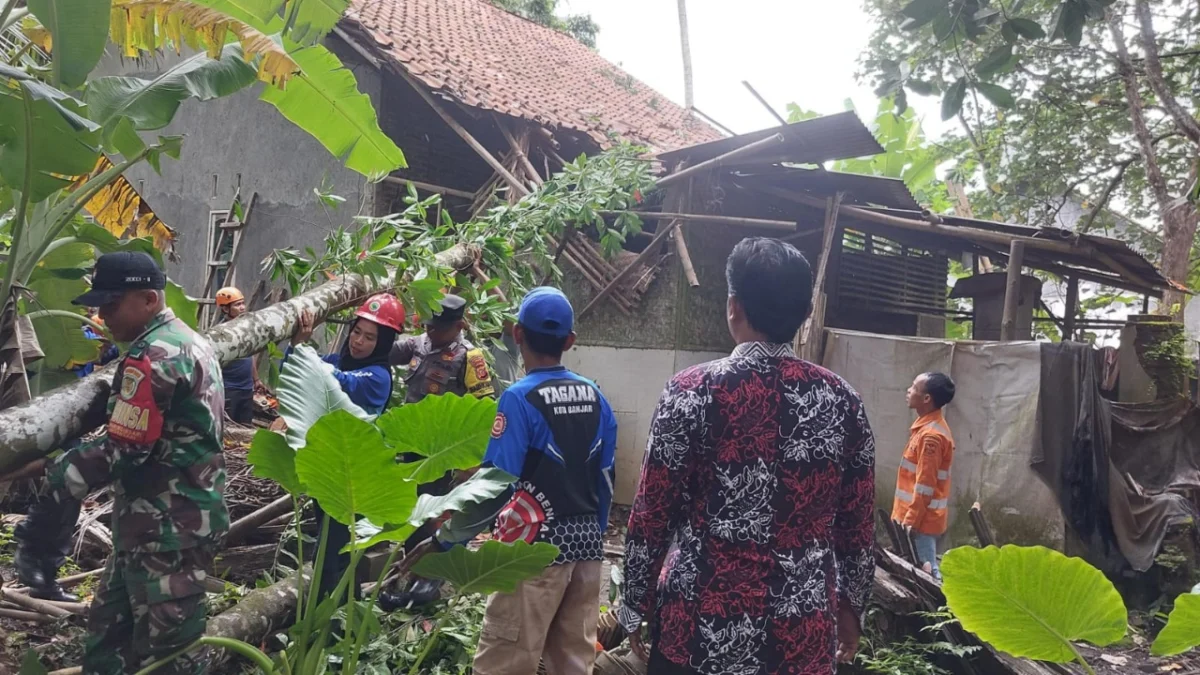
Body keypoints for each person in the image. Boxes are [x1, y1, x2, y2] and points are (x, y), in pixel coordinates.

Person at [617, 238, 876, 675]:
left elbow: (652, 512)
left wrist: (632, 605)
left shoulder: (690, 391)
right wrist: (852, 608)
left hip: (696, 633)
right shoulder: (842, 401)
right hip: (801, 637)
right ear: (804, 313)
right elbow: (858, 526)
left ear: (733, 306)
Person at [1, 251, 228, 675]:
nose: (103, 316)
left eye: (110, 305)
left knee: (169, 657)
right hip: (152, 527)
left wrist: (52, 473)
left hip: (169, 533)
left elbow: (125, 450)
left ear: (148, 299)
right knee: (108, 644)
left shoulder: (155, 357)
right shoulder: (186, 339)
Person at [470, 287, 617, 675]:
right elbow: (605, 478)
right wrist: (593, 536)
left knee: (504, 662)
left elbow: (495, 481)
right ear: (569, 341)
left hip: (530, 551)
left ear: (518, 334)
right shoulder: (597, 397)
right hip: (586, 548)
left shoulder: (519, 399)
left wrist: (448, 536)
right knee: (572, 663)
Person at [381, 293, 495, 610]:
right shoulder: (418, 345)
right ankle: (408, 575)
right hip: (414, 448)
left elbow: (484, 411)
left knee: (436, 514)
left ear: (458, 326)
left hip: (446, 453)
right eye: (429, 326)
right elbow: (384, 352)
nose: (432, 332)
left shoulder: (470, 358)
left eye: (439, 328)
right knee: (412, 512)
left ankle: (429, 581)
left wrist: (471, 465)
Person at [291, 293, 404, 599]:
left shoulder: (378, 377)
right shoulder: (338, 361)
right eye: (356, 332)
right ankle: (338, 613)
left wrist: (303, 347)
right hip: (327, 465)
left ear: (382, 345)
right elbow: (298, 371)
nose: (358, 341)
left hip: (351, 474)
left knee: (331, 552)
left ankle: (329, 620)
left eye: (369, 338)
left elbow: (337, 382)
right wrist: (297, 347)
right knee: (331, 547)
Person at [892, 371, 956, 581]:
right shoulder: (925, 428)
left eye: (914, 387)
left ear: (926, 398)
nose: (909, 391)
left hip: (921, 522)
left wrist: (911, 521)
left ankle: (945, 613)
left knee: (929, 577)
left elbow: (925, 486)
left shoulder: (931, 437)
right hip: (916, 519)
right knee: (918, 571)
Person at [215, 286, 263, 424]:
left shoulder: (245, 328)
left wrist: (256, 380)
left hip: (246, 389)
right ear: (225, 309)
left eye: (242, 303)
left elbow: (251, 354)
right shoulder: (220, 333)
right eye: (237, 305)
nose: (242, 307)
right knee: (229, 428)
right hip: (229, 389)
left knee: (246, 428)